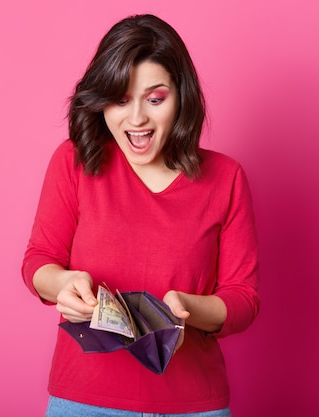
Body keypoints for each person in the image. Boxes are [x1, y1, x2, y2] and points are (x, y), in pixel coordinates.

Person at [22, 14, 260, 417]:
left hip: (192, 405)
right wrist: (63, 283)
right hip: (85, 401)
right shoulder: (74, 163)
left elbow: (243, 299)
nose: (136, 120)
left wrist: (187, 308)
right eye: (119, 99)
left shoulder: (226, 179)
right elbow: (38, 261)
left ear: (181, 96)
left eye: (154, 98)